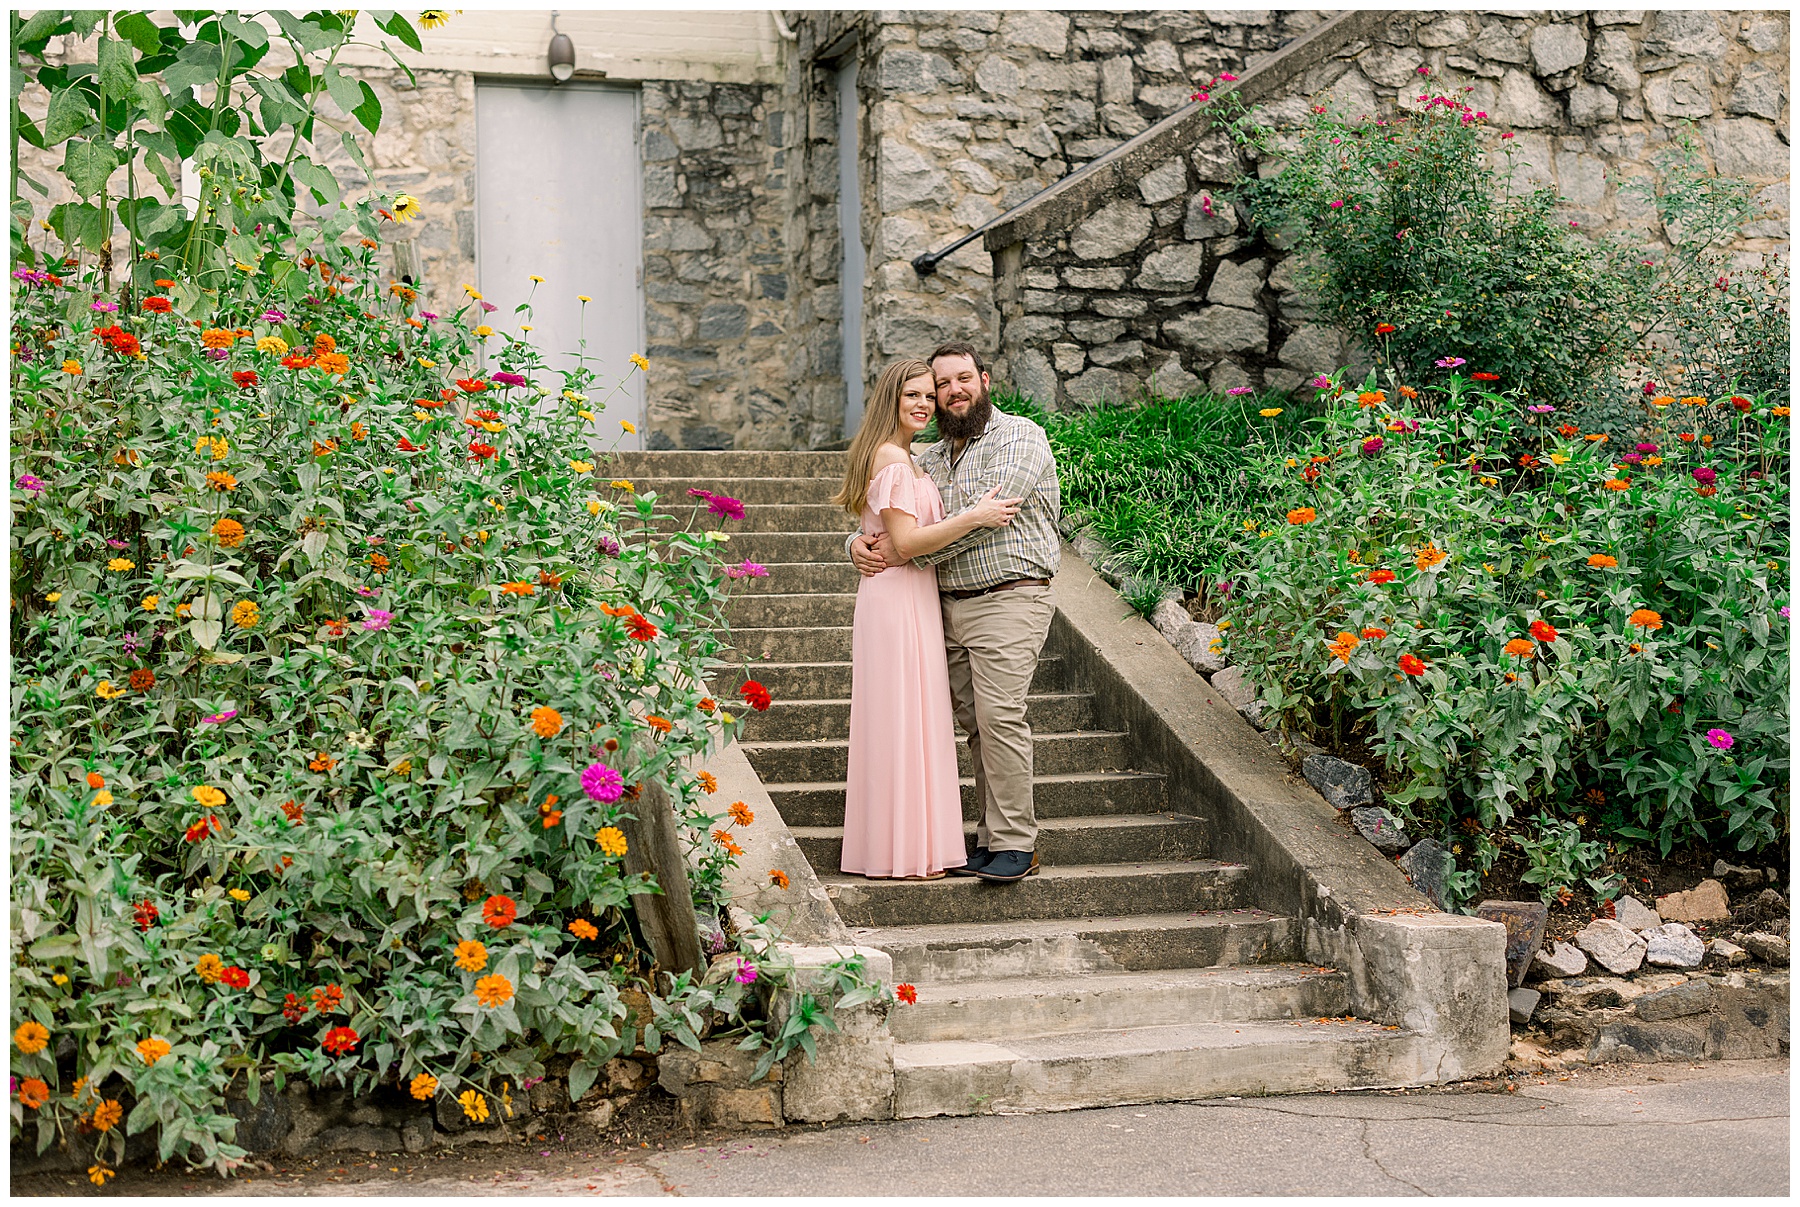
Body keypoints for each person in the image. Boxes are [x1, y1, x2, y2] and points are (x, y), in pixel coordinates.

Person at [847, 342, 1061, 883]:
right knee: (974, 725)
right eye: (940, 385)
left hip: (1009, 596)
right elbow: (893, 514)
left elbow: (990, 515)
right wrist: (857, 543)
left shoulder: (1019, 437)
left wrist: (903, 552)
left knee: (1000, 716)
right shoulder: (930, 457)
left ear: (984, 380)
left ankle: (1016, 842)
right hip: (943, 605)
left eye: (962, 378)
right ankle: (989, 838)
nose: (951, 391)